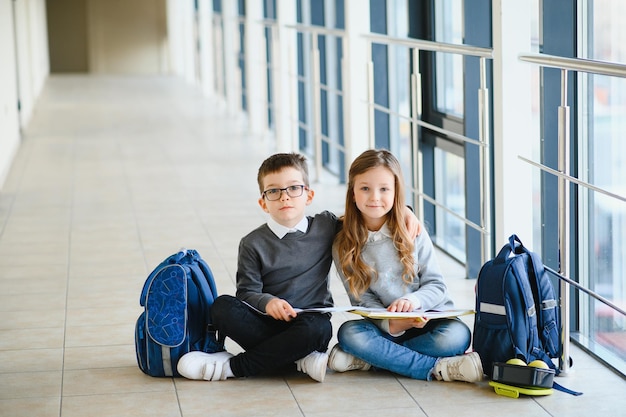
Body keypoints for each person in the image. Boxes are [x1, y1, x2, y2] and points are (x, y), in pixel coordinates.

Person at [176, 152, 421, 383]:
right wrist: (268, 302)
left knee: (320, 327)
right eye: (274, 191)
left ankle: (234, 367)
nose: (285, 197)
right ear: (263, 203)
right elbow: (246, 292)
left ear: (308, 196)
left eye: (294, 188)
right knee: (222, 307)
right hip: (265, 323)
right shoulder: (252, 243)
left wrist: (406, 212)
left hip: (308, 324)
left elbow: (368, 214)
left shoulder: (326, 226)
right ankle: (299, 360)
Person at [327, 149, 483, 383]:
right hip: (385, 327)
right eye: (365, 188)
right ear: (352, 193)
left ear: (396, 191)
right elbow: (361, 300)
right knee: (349, 333)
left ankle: (372, 359)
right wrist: (394, 323)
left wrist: (414, 302)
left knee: (457, 337)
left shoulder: (412, 230)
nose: (374, 197)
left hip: (430, 320)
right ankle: (437, 368)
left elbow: (437, 285)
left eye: (384, 189)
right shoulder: (343, 243)